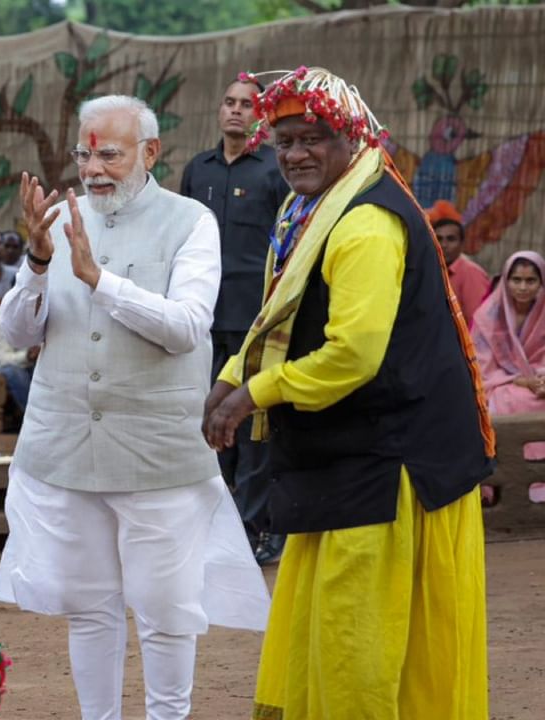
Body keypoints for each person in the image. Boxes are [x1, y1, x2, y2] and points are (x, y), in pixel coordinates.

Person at [203, 67, 494, 720]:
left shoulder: (364, 225)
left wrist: (255, 393)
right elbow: (278, 307)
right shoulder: (306, 210)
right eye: (284, 142)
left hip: (389, 469)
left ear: (354, 135)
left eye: (315, 137)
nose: (297, 154)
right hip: (342, 461)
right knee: (328, 638)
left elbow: (353, 355)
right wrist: (230, 375)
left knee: (356, 649)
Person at [0, 94, 269, 720]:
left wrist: (101, 281)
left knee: (166, 611)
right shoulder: (57, 222)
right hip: (67, 449)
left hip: (158, 453)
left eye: (110, 154)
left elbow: (188, 327)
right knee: (89, 606)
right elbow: (17, 332)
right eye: (85, 154)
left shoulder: (192, 221)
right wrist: (37, 262)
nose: (93, 168)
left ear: (150, 153)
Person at [180, 76, 291, 565]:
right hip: (202, 319)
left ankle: (256, 528)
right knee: (207, 418)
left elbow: (288, 245)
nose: (236, 112)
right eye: (228, 102)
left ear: (260, 115)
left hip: (255, 319)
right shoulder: (196, 170)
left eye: (247, 105)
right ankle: (215, 526)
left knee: (251, 425)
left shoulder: (275, 170)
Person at [471, 251, 545, 417]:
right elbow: (481, 364)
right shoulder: (487, 317)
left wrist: (540, 380)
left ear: (541, 282)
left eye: (530, 281)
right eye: (516, 280)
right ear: (506, 281)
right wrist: (522, 381)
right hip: (499, 384)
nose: (523, 288)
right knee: (511, 399)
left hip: (539, 382)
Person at [429, 200, 491, 325]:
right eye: (438, 239)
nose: (444, 245)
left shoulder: (471, 273)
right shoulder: (430, 269)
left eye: (451, 239)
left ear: (462, 244)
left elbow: (477, 323)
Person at [0, 302, 37, 415]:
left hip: (31, 363)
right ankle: (33, 415)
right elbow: (2, 357)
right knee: (16, 374)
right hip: (3, 365)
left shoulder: (35, 313)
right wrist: (27, 356)